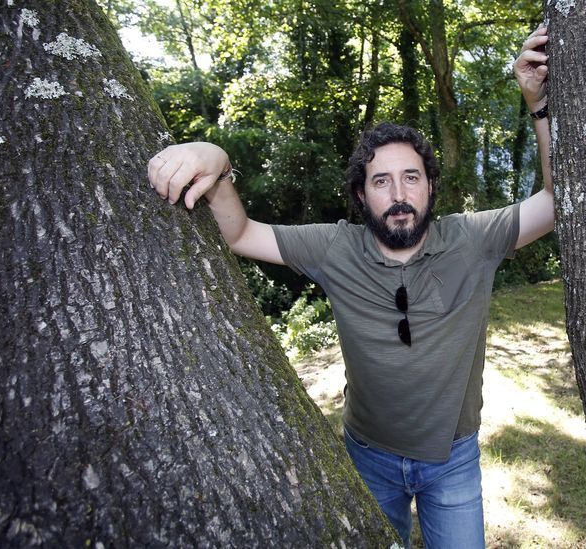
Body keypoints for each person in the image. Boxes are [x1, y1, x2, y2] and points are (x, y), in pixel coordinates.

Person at [147, 26, 553, 549]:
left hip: (453, 461)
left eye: (412, 177)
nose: (399, 193)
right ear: (362, 197)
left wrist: (536, 104)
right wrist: (218, 162)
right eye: (381, 181)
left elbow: (556, 198)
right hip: (368, 458)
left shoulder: (473, 239)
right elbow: (240, 234)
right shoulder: (334, 248)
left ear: (431, 185)